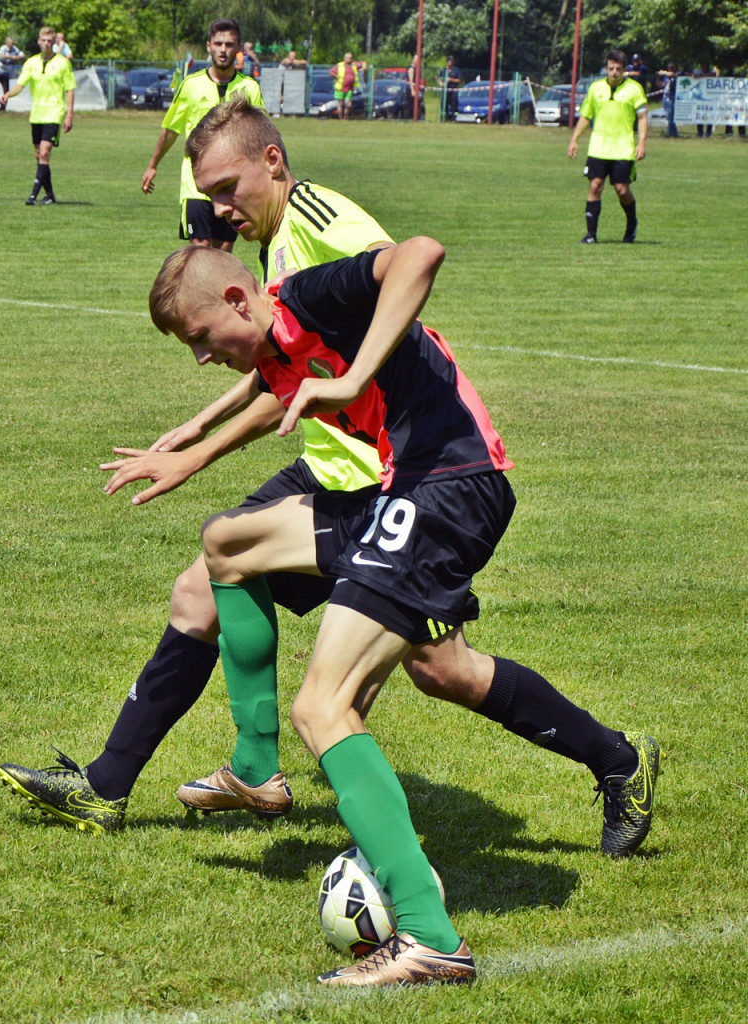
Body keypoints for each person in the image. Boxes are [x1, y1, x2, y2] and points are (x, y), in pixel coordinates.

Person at [0, 100, 658, 869]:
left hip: (413, 477)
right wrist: (195, 439)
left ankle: (411, 889)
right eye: (206, 193)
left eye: (225, 187)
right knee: (233, 569)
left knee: (358, 686)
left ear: (272, 163)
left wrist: (347, 387)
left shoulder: (315, 219)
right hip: (373, 474)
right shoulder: (275, 249)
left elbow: (401, 276)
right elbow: (287, 362)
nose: (217, 208)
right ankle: (167, 780)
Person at [145, 234, 659, 986]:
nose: (200, 358)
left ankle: (428, 937)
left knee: (326, 707)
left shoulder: (310, 295)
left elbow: (420, 252)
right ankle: (257, 771)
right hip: (405, 489)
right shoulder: (273, 350)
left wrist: (351, 378)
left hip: (450, 484)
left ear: (237, 299)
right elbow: (276, 388)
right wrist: (194, 444)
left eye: (198, 338)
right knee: (230, 544)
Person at [140, 18, 262, 250]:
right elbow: (170, 129)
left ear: (237, 48)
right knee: (200, 250)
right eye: (218, 44)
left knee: (223, 252)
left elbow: (259, 135)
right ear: (209, 46)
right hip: (196, 184)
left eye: (229, 44)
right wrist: (152, 164)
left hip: (232, 184)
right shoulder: (190, 85)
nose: (223, 50)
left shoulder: (250, 88)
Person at [567, 49, 648, 244]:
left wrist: (642, 142)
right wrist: (574, 139)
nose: (614, 73)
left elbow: (643, 117)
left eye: (618, 69)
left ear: (624, 70)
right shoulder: (595, 88)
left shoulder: (634, 89)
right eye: (611, 68)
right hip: (599, 146)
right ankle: (591, 235)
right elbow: (586, 116)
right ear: (606, 68)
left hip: (623, 147)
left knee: (622, 189)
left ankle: (631, 223)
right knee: (595, 186)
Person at [0, 27, 75, 205]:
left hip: (54, 113)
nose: (46, 43)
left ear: (54, 43)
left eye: (50, 41)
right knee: (40, 156)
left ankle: (33, 196)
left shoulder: (63, 63)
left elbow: (70, 89)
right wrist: (7, 94)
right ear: (39, 41)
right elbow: (20, 85)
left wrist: (69, 115)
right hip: (37, 114)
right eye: (44, 40)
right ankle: (49, 195)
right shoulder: (31, 62)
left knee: (44, 153)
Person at [0, 36, 25, 113]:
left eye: (12, 43)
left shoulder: (15, 49)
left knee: (6, 92)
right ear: (7, 43)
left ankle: (2, 108)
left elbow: (23, 55)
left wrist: (18, 57)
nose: (11, 44)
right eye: (10, 42)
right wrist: (12, 57)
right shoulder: (3, 48)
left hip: (5, 73)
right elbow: (1, 55)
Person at [329, 52, 366, 120]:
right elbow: (331, 71)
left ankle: (345, 118)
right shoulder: (339, 65)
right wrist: (336, 77)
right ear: (344, 58)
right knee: (340, 104)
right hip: (340, 87)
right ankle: (341, 118)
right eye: (348, 58)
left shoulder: (354, 65)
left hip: (349, 88)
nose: (349, 59)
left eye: (351, 58)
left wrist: (363, 68)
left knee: (348, 105)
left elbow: (363, 63)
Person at [658, 62, 680, 138]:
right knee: (668, 115)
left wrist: (664, 72)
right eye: (669, 68)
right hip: (666, 97)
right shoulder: (665, 77)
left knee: (672, 115)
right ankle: (672, 132)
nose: (671, 69)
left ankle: (672, 132)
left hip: (674, 97)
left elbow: (673, 75)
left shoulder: (677, 74)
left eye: (672, 67)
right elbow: (661, 84)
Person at [693, 63, 716, 137]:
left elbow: (714, 74)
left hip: (710, 97)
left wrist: (702, 76)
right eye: (703, 65)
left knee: (710, 115)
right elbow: (693, 76)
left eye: (705, 65)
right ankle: (700, 132)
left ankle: (708, 133)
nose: (704, 67)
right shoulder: (697, 71)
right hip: (700, 97)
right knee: (699, 114)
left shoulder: (712, 70)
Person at [437, 56, 461, 120]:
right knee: (444, 105)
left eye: (451, 61)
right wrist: (440, 83)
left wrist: (451, 79)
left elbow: (459, 80)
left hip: (453, 90)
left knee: (454, 105)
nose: (450, 62)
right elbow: (437, 77)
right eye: (448, 61)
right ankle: (444, 118)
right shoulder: (444, 70)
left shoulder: (456, 70)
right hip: (445, 91)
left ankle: (454, 118)